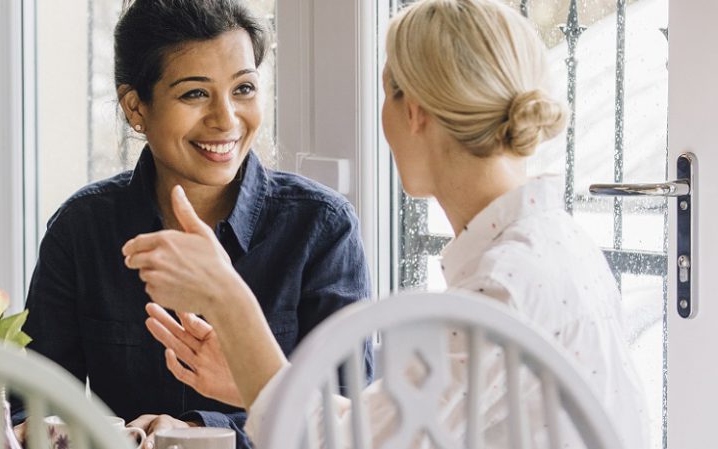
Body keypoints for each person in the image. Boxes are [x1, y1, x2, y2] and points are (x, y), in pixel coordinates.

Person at [123, 0, 649, 447]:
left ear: (413, 110)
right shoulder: (547, 248)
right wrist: (247, 378)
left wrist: (226, 296)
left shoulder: (503, 286)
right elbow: (384, 427)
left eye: (385, 92)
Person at [15, 1, 373, 448]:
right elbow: (29, 403)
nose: (226, 119)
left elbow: (351, 417)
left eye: (243, 89)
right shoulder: (81, 229)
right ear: (135, 108)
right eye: (194, 94)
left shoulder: (321, 228)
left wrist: (205, 431)